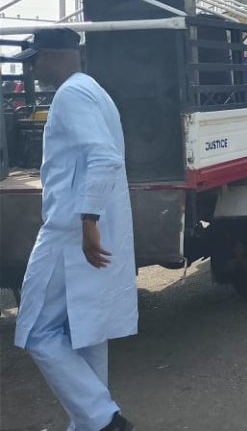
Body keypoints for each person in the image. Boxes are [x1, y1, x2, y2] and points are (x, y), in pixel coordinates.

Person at [12, 28, 137, 431]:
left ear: (51, 55)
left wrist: (87, 220)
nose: (32, 69)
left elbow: (104, 157)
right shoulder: (93, 90)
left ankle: (102, 418)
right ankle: (92, 423)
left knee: (35, 330)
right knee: (87, 330)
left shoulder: (71, 94)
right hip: (83, 225)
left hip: (68, 230)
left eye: (35, 60)